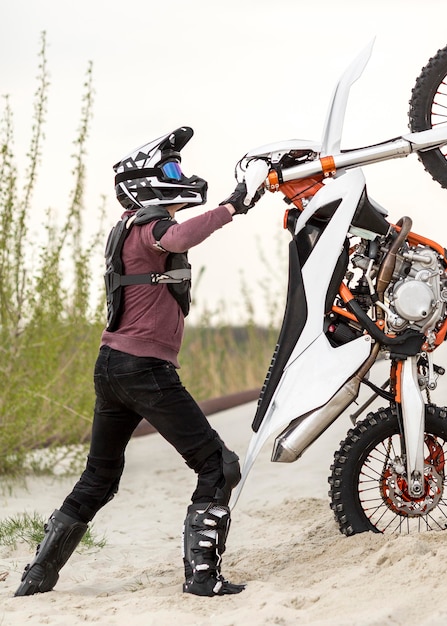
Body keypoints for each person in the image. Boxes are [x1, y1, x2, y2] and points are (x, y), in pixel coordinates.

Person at [14, 126, 262, 598]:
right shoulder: (150, 227)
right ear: (146, 181)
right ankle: (203, 579)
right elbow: (182, 234)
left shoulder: (129, 228)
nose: (180, 176)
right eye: (171, 170)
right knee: (218, 466)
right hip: (144, 371)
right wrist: (231, 207)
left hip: (112, 367)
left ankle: (37, 578)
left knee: (99, 478)